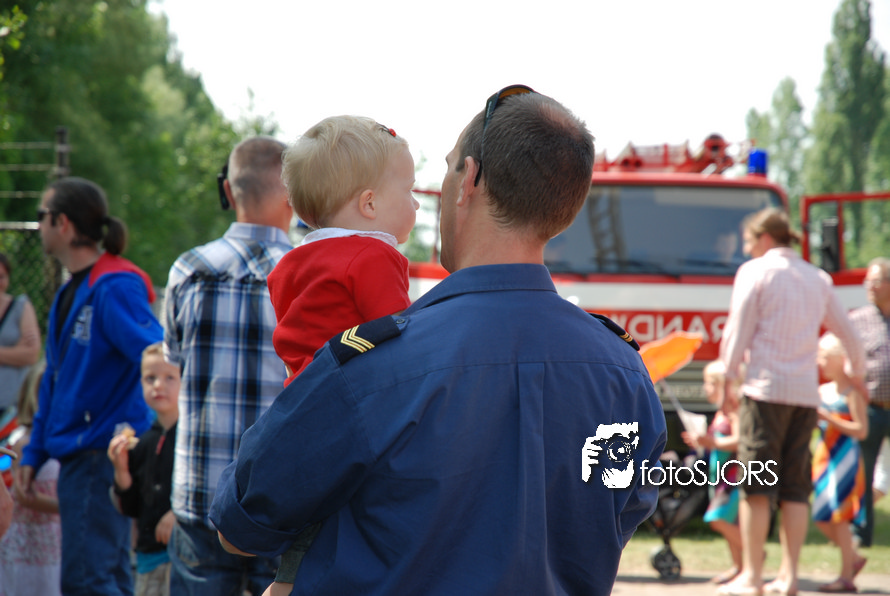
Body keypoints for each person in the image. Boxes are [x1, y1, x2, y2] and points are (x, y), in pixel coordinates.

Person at [209, 85, 667, 596]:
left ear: (467, 180)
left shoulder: (374, 362)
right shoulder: (625, 371)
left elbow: (240, 524)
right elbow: (622, 512)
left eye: (447, 169)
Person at [266, 116, 416, 593]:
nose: (416, 203)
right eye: (409, 191)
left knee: (308, 526)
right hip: (354, 409)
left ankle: (286, 581)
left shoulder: (292, 263)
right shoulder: (375, 257)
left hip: (300, 404)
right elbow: (400, 338)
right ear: (369, 204)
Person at [17, 177, 163, 596]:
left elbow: (156, 355)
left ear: (62, 223)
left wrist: (139, 429)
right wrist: (34, 452)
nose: (39, 225)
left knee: (87, 581)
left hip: (101, 455)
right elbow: (54, 383)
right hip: (82, 456)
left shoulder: (114, 286)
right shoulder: (71, 289)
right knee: (104, 578)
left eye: (42, 216)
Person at [164, 136, 293, 595]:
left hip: (200, 494)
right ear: (293, 194)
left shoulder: (188, 269)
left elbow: (174, 359)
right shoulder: (308, 275)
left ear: (228, 191)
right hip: (281, 502)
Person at [718, 207, 866, 596]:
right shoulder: (818, 278)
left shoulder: (755, 272)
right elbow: (849, 334)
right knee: (795, 490)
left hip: (764, 392)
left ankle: (752, 576)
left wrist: (728, 378)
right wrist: (857, 375)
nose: (747, 250)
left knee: (756, 487)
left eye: (749, 241)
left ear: (765, 238)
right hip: (804, 397)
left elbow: (738, 330)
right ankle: (789, 577)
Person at [108, 342, 180, 596]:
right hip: (148, 559)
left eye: (169, 377)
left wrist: (178, 514)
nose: (158, 385)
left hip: (184, 558)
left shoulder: (193, 441)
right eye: (150, 378)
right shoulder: (143, 442)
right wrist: (121, 470)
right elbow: (131, 507)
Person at [811, 332, 868, 594]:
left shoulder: (852, 393)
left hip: (845, 460)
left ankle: (846, 576)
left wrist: (830, 419)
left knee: (840, 517)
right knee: (822, 517)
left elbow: (861, 430)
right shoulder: (821, 391)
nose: (819, 362)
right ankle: (853, 557)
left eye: (824, 357)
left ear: (839, 359)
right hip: (824, 458)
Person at [0, 360, 62, 596]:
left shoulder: (66, 441)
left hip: (55, 540)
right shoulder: (23, 442)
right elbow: (24, 496)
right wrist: (67, 507)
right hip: (28, 543)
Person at [682, 360, 741, 585]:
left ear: (721, 385)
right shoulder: (719, 412)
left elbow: (740, 440)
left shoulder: (734, 410)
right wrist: (701, 442)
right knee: (729, 521)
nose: (705, 388)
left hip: (734, 474)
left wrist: (712, 442)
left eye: (708, 383)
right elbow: (715, 443)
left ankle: (753, 555)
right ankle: (739, 566)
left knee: (717, 518)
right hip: (719, 474)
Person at [848, 256, 890, 548]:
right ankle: (860, 535)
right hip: (872, 408)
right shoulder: (857, 320)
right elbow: (845, 359)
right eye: (867, 281)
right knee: (863, 473)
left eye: (874, 281)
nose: (869, 286)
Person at [0, 252, 41, 415]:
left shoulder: (20, 306)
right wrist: (14, 351)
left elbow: (31, 355)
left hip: (13, 407)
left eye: (2, 277)